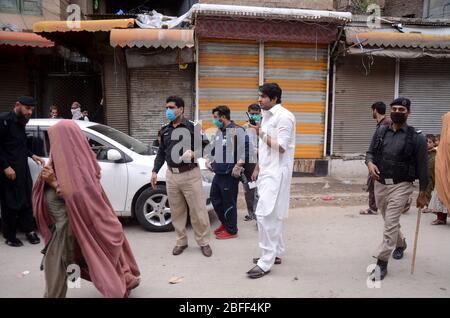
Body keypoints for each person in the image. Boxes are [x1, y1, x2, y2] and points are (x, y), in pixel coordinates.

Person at [33, 120, 140, 298]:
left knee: (61, 264)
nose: (53, 145)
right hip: (69, 229)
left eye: (55, 140)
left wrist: (53, 182)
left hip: (67, 231)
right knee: (74, 262)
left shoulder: (76, 167)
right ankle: (77, 285)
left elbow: (78, 195)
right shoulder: (61, 163)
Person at [366, 97, 428, 281]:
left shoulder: (417, 137)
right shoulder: (382, 131)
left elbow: (423, 166)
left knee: (391, 222)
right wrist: (369, 164)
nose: (397, 112)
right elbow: (370, 153)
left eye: (402, 109)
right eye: (395, 109)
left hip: (402, 185)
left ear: (409, 112)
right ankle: (400, 244)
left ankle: (381, 264)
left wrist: (423, 192)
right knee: (387, 220)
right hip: (381, 183)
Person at [151, 96, 212, 257]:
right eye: (167, 108)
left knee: (198, 211)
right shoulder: (164, 130)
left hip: (190, 174)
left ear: (181, 109)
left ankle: (204, 242)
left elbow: (207, 147)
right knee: (177, 212)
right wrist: (154, 171)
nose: (168, 111)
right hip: (172, 175)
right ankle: (181, 241)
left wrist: (194, 153)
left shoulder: (193, 127)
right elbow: (161, 153)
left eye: (171, 108)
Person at [245, 83, 296, 279]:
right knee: (271, 215)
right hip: (266, 171)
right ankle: (276, 253)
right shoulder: (266, 116)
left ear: (274, 99)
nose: (259, 100)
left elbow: (281, 147)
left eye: (263, 97)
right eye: (259, 96)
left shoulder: (284, 117)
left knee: (265, 215)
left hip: (277, 174)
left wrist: (259, 132)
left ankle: (266, 261)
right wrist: (258, 167)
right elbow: (264, 148)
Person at [0, 96, 44, 247]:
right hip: (9, 171)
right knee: (10, 204)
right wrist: (5, 166)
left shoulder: (22, 121)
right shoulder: (4, 120)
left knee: (26, 201)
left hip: (22, 169)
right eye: (27, 108)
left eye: (32, 109)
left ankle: (29, 231)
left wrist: (32, 155)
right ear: (17, 105)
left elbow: (19, 144)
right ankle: (10, 236)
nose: (30, 112)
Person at [208, 105, 249, 240]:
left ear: (223, 117)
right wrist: (210, 160)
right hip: (218, 173)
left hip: (229, 174)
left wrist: (238, 165)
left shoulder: (237, 130)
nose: (214, 120)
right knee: (215, 199)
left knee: (228, 202)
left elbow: (247, 150)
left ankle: (232, 230)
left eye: (216, 117)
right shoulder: (220, 131)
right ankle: (225, 223)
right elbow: (214, 150)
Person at [360, 102, 391, 215]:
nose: (371, 113)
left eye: (372, 110)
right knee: (376, 184)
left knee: (375, 183)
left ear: (375, 110)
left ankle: (373, 208)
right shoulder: (383, 123)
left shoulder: (386, 124)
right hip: (378, 160)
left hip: (381, 162)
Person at [242, 103, 261, 221]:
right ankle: (251, 213)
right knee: (248, 189)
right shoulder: (244, 127)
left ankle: (259, 213)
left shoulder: (264, 126)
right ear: (248, 113)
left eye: (256, 114)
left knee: (260, 189)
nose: (254, 116)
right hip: (249, 162)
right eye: (252, 114)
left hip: (262, 161)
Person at [430, 115, 450, 225]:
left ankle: (441, 218)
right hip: (443, 170)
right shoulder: (444, 139)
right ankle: (441, 217)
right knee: (440, 192)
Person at [422, 134, 437, 215]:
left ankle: (430, 206)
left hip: (434, 174)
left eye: (429, 142)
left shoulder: (436, 153)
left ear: (434, 143)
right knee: (427, 189)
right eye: (426, 142)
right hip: (426, 175)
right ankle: (427, 205)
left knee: (431, 189)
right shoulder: (423, 153)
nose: (427, 143)